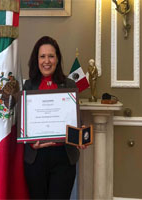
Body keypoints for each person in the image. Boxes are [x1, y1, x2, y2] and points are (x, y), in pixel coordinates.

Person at [23, 36, 86, 199]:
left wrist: (81, 134)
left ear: (57, 59)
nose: (47, 61)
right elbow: (22, 125)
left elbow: (76, 120)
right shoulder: (28, 86)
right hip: (36, 158)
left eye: (51, 56)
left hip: (63, 157)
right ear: (36, 60)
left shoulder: (70, 84)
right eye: (42, 56)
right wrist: (31, 143)